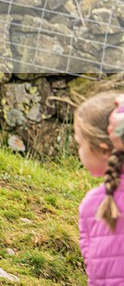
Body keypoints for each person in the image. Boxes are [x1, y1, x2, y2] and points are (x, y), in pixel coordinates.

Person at [74, 91, 124, 284]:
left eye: (80, 144)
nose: (78, 150)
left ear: (103, 150)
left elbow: (93, 271)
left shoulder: (93, 204)